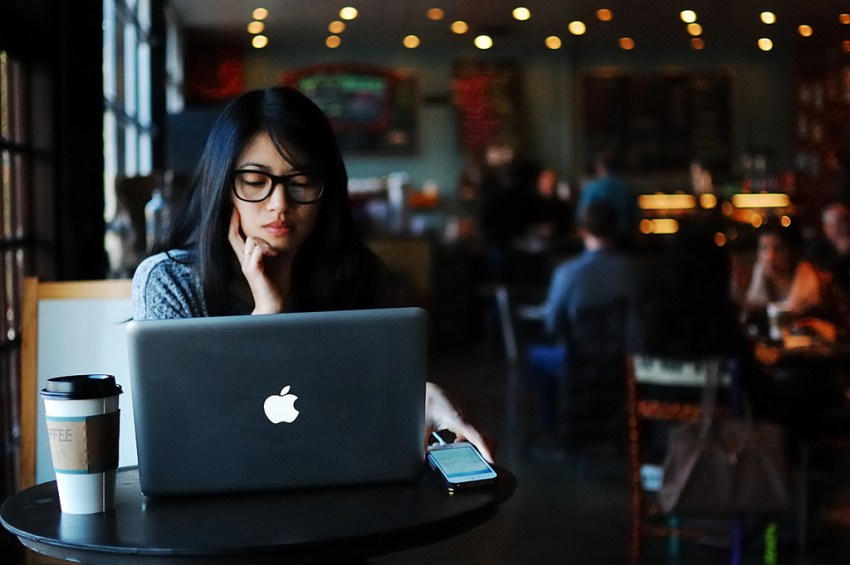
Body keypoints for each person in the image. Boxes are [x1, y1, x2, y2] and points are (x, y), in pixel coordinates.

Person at [132, 86, 493, 461]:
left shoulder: (356, 275)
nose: (279, 205)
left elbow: (359, 406)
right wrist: (267, 315)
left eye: (301, 182)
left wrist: (423, 397)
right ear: (223, 187)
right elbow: (191, 432)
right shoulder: (170, 281)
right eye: (255, 182)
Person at [526, 200, 639, 452]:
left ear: (583, 230)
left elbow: (553, 324)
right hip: (627, 361)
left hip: (579, 359)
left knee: (535, 357)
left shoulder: (567, 273)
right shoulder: (636, 271)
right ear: (616, 228)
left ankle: (553, 426)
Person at [575, 147, 638, 247]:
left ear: (601, 168)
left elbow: (583, 215)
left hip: (599, 239)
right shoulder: (627, 188)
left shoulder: (591, 188)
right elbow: (635, 216)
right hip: (624, 238)